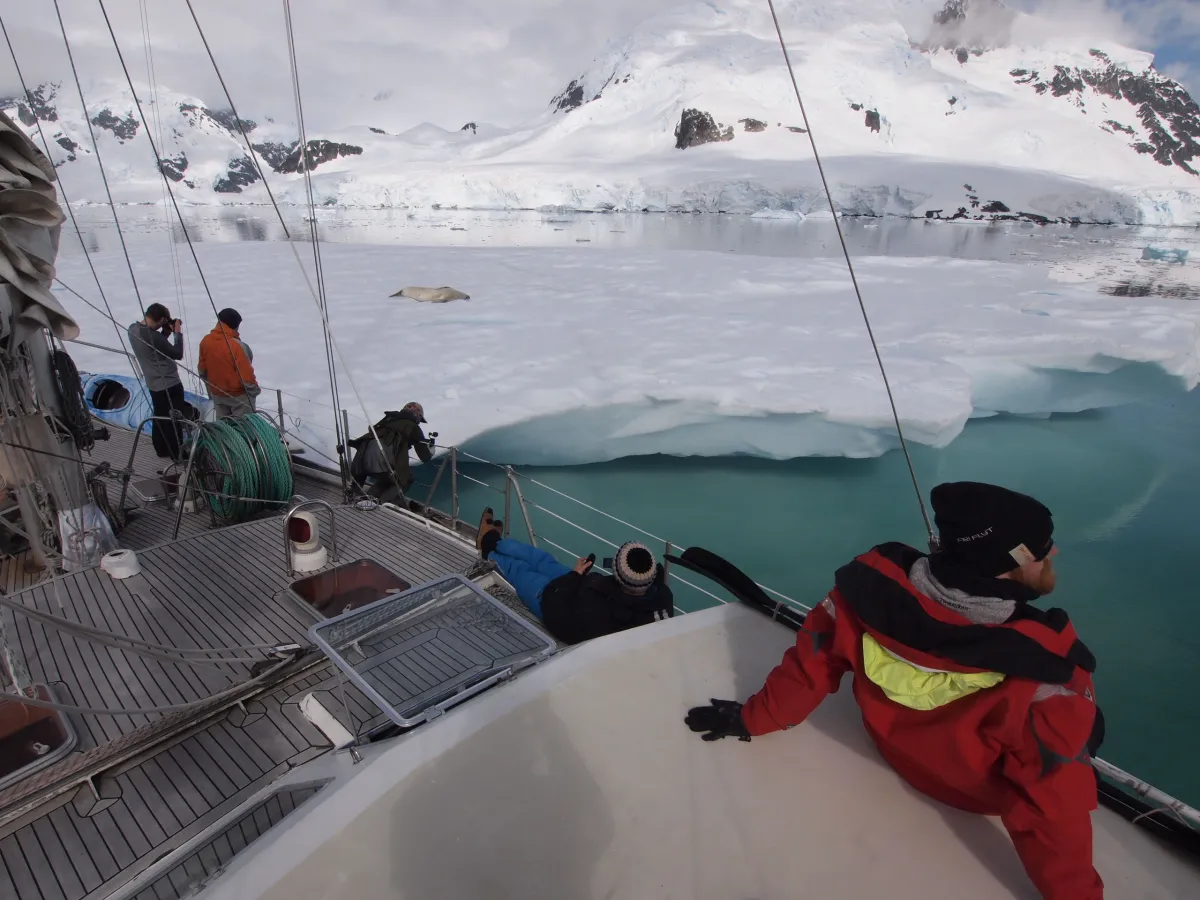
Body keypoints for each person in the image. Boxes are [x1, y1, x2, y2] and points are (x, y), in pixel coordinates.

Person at [685, 482, 1104, 900]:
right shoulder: (1047, 674)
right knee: (1088, 725)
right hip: (968, 793)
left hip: (889, 745)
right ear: (1017, 558)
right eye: (1045, 547)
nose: (1055, 553)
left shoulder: (860, 592)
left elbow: (809, 666)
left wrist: (751, 719)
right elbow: (1051, 808)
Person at [477, 508, 674, 644]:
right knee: (542, 560)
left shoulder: (604, 616)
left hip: (553, 599)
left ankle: (489, 547)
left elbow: (555, 606)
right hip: (581, 585)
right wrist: (578, 575)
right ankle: (495, 540)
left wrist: (573, 576)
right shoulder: (662, 595)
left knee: (521, 570)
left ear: (617, 572)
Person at [128, 303, 186, 459]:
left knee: (159, 417)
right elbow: (177, 353)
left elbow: (153, 346)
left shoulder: (133, 329)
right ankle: (177, 453)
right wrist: (177, 333)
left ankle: (161, 450)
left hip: (153, 384)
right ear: (161, 319)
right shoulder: (153, 336)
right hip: (168, 383)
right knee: (174, 418)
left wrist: (164, 334)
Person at [346, 401, 433, 504]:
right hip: (383, 464)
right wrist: (430, 447)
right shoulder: (412, 426)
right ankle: (381, 504)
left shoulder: (388, 419)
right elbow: (424, 456)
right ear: (417, 415)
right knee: (405, 479)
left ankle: (368, 499)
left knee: (388, 479)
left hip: (361, 464)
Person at [197, 308, 260, 418]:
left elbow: (202, 370)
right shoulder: (237, 346)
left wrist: (213, 389)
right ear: (235, 325)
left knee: (224, 429)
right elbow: (246, 377)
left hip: (217, 395)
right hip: (239, 398)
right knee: (243, 429)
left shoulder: (205, 341)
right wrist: (254, 391)